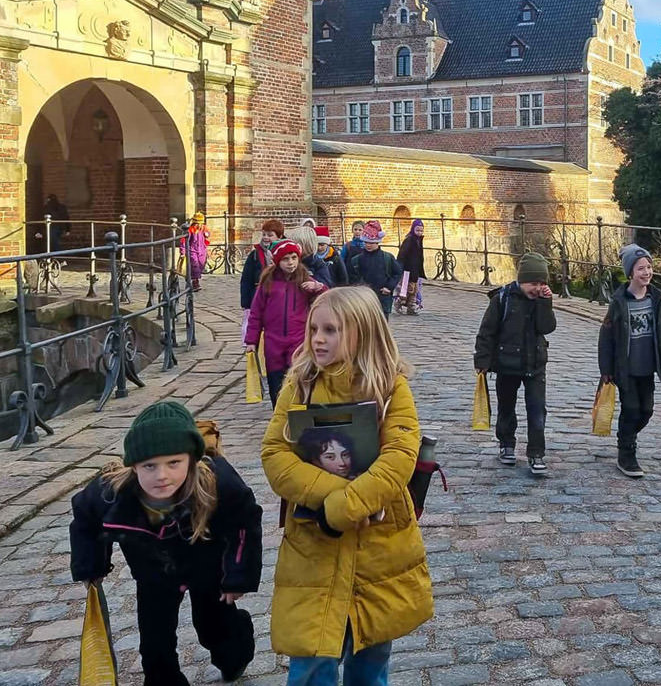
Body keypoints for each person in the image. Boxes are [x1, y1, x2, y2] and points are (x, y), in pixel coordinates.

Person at [261, 287, 433, 686]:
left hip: (378, 542)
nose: (318, 339)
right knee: (312, 659)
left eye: (330, 330)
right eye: (314, 329)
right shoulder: (300, 383)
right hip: (313, 544)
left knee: (370, 655)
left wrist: (347, 505)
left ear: (362, 333)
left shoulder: (390, 388)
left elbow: (399, 458)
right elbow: (275, 453)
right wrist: (331, 499)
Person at [69, 401, 262, 686]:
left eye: (174, 463)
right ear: (134, 466)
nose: (161, 476)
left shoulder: (219, 484)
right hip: (154, 573)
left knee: (213, 626)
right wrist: (92, 566)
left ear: (191, 460)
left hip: (207, 566)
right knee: (154, 643)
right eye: (149, 466)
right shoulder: (110, 493)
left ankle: (235, 650)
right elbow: (85, 521)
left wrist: (238, 576)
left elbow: (244, 524)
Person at [598, 243, 661, 478]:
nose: (647, 272)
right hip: (625, 369)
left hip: (647, 368)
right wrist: (606, 369)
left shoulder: (657, 300)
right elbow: (606, 338)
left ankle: (627, 436)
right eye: (641, 268)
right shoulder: (619, 302)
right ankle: (627, 453)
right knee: (631, 409)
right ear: (630, 273)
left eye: (649, 267)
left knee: (646, 411)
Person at [473, 252, 556, 476]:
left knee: (537, 410)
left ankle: (536, 453)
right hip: (507, 364)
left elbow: (546, 327)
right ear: (521, 280)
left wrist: (545, 303)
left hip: (535, 364)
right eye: (532, 283)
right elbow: (487, 332)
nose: (537, 288)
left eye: (541, 283)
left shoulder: (541, 300)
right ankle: (506, 443)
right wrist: (482, 360)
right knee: (506, 407)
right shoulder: (502, 299)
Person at [245, 239, 327, 405]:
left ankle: (299, 410)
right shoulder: (268, 283)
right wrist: (251, 340)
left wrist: (319, 288)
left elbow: (327, 300)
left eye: (294, 258)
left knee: (298, 376)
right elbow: (256, 313)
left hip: (298, 338)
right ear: (278, 261)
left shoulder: (305, 280)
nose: (290, 263)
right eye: (285, 259)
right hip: (273, 340)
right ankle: (278, 410)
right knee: (276, 380)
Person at [348, 220, 402, 318]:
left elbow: (397, 273)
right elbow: (352, 277)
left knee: (382, 323)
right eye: (366, 242)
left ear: (377, 242)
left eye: (371, 243)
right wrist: (359, 288)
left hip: (382, 297)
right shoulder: (357, 260)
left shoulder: (387, 257)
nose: (368, 245)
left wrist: (389, 287)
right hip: (364, 298)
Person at [240, 218, 284, 311]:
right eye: (264, 234)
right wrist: (246, 303)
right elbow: (246, 279)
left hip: (280, 297)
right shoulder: (255, 255)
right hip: (259, 296)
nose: (265, 237)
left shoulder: (286, 253)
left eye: (270, 235)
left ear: (279, 236)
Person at [287, 225, 334, 289]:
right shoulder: (293, 262)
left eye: (295, 244)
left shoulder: (317, 264)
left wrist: (316, 285)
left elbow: (326, 286)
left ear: (306, 245)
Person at [396, 219, 426, 315]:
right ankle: (399, 303)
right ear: (413, 229)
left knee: (414, 289)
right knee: (405, 289)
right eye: (417, 230)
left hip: (415, 269)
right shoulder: (409, 240)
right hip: (407, 269)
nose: (419, 232)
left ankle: (411, 306)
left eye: (421, 231)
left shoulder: (419, 240)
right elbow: (402, 254)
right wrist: (400, 266)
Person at [181, 212, 211, 291]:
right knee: (195, 266)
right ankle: (195, 282)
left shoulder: (204, 229)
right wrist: (183, 251)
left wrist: (207, 235)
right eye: (198, 223)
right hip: (192, 250)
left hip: (202, 250)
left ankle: (192, 278)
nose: (199, 225)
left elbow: (207, 238)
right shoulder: (190, 229)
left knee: (201, 265)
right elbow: (184, 241)